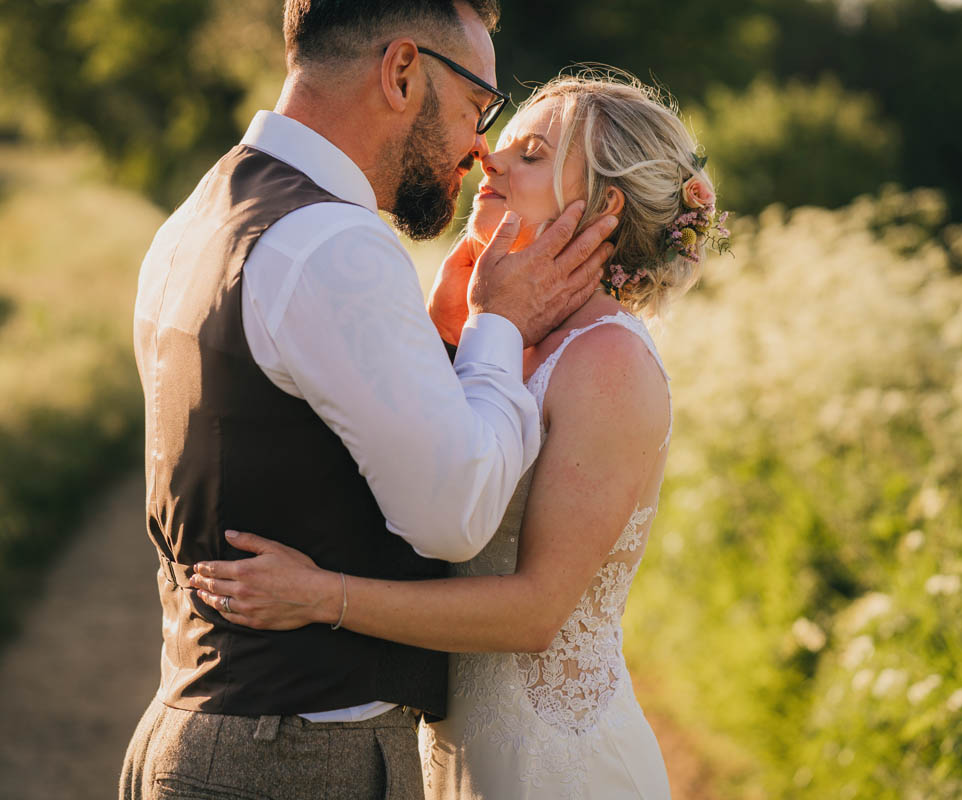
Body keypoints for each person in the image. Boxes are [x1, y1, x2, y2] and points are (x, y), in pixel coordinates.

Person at [120, 2, 620, 798]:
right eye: (477, 105)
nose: (479, 146)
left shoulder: (207, 210)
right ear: (402, 73)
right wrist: (499, 325)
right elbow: (456, 512)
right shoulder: (331, 241)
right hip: (291, 759)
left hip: (200, 728)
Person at [189, 71, 730, 800]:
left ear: (604, 205)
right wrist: (450, 331)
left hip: (553, 767)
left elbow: (536, 612)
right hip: (457, 752)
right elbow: (420, 479)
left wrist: (321, 596)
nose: (487, 158)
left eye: (531, 155)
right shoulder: (501, 335)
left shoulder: (608, 361)